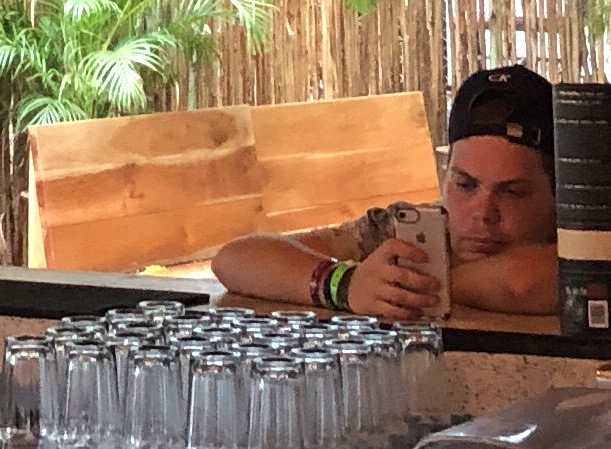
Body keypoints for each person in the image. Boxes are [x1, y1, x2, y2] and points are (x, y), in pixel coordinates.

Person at [208, 66, 561, 320]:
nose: (483, 213)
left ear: (558, 195)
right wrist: (345, 285)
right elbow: (236, 259)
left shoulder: (589, 242)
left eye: (512, 192)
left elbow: (523, 281)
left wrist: (410, 288)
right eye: (465, 185)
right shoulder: (414, 229)